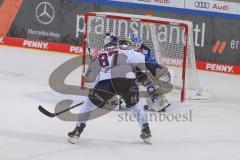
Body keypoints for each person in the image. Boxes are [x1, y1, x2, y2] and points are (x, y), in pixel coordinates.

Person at [68, 33, 152, 144]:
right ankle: (146, 132)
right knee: (135, 106)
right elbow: (141, 59)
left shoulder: (99, 54)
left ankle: (77, 132)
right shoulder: (124, 50)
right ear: (117, 42)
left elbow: (92, 77)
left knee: (88, 103)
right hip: (126, 81)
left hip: (106, 83)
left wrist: (96, 91)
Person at [127, 32, 174, 112]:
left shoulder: (145, 50)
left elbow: (151, 63)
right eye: (134, 45)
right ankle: (112, 98)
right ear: (129, 43)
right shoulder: (123, 48)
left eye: (138, 45)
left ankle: (157, 101)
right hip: (125, 73)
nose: (136, 47)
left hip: (139, 74)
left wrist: (158, 72)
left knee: (148, 84)